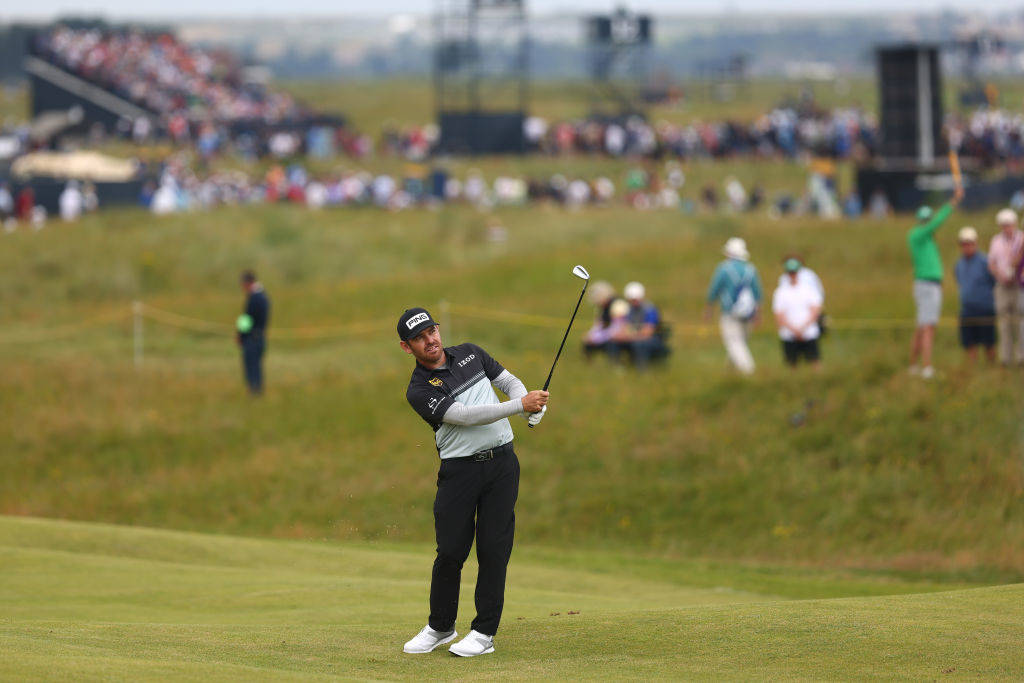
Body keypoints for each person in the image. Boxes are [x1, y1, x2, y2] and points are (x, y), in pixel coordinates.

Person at [399, 308, 548, 658]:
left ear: (438, 329)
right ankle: (441, 627)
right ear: (407, 348)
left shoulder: (471, 352)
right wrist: (518, 406)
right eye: (419, 339)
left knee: (493, 550)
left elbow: (509, 382)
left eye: (431, 332)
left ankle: (484, 634)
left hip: (502, 466)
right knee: (450, 551)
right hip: (459, 473)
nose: (429, 341)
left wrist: (529, 406)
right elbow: (463, 417)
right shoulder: (419, 389)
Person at [907, 186, 963, 379]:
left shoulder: (926, 238)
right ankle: (927, 367)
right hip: (927, 285)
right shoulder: (917, 235)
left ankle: (913, 365)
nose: (928, 222)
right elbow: (938, 222)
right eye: (926, 220)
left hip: (930, 285)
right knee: (929, 327)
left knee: (923, 326)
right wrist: (953, 202)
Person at [705, 237, 762, 375]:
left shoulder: (724, 269)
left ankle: (749, 371)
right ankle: (730, 372)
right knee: (740, 342)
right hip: (748, 312)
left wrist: (709, 309)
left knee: (734, 343)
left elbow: (714, 289)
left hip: (730, 312)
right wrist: (758, 313)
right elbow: (757, 293)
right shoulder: (751, 269)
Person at [986, 208, 1024, 365]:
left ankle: (1021, 357)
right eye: (1004, 225)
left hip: (1019, 285)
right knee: (1004, 323)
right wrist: (1000, 275)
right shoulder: (996, 241)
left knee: (1021, 321)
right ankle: (1006, 358)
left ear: (1015, 224)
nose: (1007, 227)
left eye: (1009, 224)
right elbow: (991, 263)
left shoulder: (1022, 239)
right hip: (1002, 285)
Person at [954, 226, 997, 363]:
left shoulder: (985, 261)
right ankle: (973, 369)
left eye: (969, 243)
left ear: (975, 243)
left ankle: (991, 368)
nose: (967, 247)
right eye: (964, 244)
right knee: (969, 342)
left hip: (985, 308)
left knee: (989, 342)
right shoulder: (959, 264)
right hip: (967, 309)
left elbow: (993, 281)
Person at [772, 258, 824, 369]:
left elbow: (815, 310)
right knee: (791, 365)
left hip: (809, 333)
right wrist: (794, 330)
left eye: (794, 272)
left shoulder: (809, 289)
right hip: (789, 335)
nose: (792, 274)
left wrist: (803, 328)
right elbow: (779, 315)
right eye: (790, 272)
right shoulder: (780, 292)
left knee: (815, 362)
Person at [607, 281, 669, 369]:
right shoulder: (629, 310)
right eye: (631, 299)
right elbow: (624, 327)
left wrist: (629, 336)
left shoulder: (649, 310)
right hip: (635, 337)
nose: (633, 302)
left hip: (652, 340)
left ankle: (642, 370)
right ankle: (616, 369)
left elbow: (648, 332)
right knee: (612, 342)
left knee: (639, 344)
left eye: (635, 299)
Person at [237, 270, 270, 395]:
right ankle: (257, 390)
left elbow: (247, 318)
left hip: (252, 338)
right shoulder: (263, 295)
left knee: (252, 365)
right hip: (260, 336)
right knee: (256, 365)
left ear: (247, 283)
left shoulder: (254, 298)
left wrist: (240, 334)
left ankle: (254, 391)